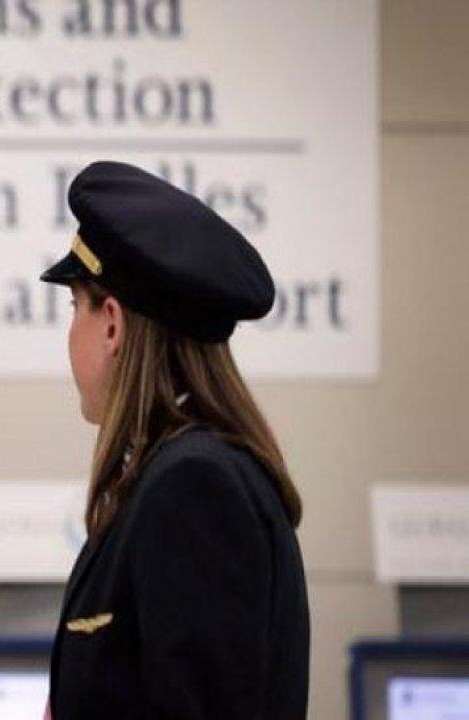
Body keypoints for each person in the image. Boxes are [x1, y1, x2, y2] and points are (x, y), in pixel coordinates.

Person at [38, 161, 310, 719]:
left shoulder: (193, 487)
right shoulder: (174, 474)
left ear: (111, 324)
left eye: (75, 308)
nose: (70, 334)